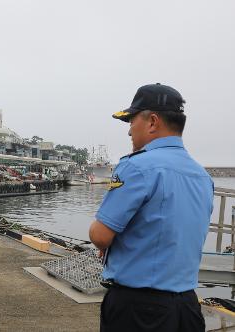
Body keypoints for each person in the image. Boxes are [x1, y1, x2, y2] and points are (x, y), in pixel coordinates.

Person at [89, 83, 214, 332]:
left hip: (139, 309)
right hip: (188, 307)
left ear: (152, 121)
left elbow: (100, 236)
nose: (129, 132)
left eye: (132, 121)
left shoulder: (136, 167)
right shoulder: (201, 176)